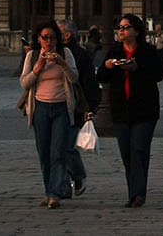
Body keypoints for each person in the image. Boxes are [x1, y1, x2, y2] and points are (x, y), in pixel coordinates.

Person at [99, 13, 163, 208]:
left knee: (139, 150)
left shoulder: (148, 51)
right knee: (127, 154)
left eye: (126, 27)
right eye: (120, 27)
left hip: (144, 111)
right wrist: (107, 66)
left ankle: (138, 194)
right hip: (121, 112)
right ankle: (133, 192)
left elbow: (158, 74)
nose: (121, 30)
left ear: (136, 31)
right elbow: (102, 77)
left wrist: (138, 68)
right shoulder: (114, 51)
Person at [21, 20, 82, 209]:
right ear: (38, 39)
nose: (49, 41)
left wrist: (62, 64)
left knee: (58, 152)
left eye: (52, 37)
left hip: (61, 108)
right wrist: (37, 68)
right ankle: (49, 190)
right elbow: (24, 83)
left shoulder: (66, 53)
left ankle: (55, 193)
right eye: (45, 38)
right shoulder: (32, 56)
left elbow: (74, 78)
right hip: (40, 108)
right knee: (44, 152)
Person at [57, 19, 99, 198]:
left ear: (67, 35)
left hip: (75, 107)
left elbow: (89, 83)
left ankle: (78, 176)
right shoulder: (51, 52)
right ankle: (63, 187)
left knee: (66, 147)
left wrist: (90, 108)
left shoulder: (79, 55)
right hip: (56, 104)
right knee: (57, 148)